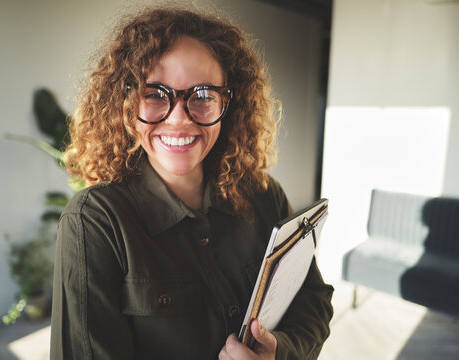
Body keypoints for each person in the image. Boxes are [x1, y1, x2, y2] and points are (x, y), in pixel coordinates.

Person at [50, 5, 334, 360]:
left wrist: (281, 352)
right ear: (124, 102)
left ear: (229, 104)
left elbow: (313, 303)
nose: (180, 120)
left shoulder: (264, 196)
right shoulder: (95, 222)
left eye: (202, 97)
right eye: (154, 94)